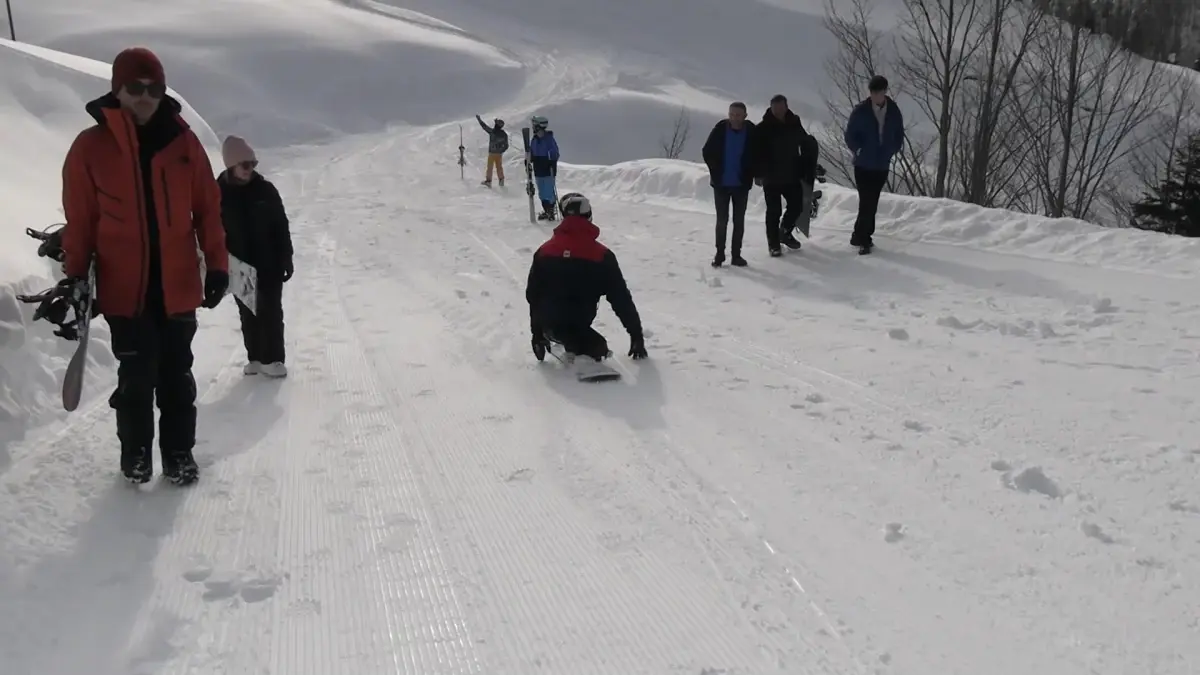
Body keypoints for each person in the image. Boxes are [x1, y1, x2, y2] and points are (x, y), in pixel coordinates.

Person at [60, 47, 228, 485]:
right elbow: (80, 220)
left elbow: (208, 210)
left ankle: (178, 455)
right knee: (136, 379)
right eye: (135, 88)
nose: (145, 97)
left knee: (176, 377)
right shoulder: (90, 147)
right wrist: (76, 276)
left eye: (154, 88)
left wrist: (219, 265)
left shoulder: (183, 143)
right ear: (118, 89)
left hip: (177, 285)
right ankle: (135, 455)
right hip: (123, 289)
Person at [526, 193, 648, 369]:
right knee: (598, 348)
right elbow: (621, 298)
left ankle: (562, 340)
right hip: (578, 324)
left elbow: (533, 295)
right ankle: (577, 347)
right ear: (589, 216)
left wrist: (537, 334)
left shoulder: (544, 252)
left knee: (585, 341)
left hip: (548, 324)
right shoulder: (602, 256)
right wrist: (636, 335)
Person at [217, 135, 294, 378]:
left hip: (268, 263)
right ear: (231, 165)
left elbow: (281, 226)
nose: (251, 170)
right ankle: (256, 358)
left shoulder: (266, 190)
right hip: (237, 264)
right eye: (246, 165)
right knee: (248, 313)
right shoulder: (217, 194)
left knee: (270, 310)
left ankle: (274, 360)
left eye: (253, 164)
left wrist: (286, 258)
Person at [843, 74, 905, 254]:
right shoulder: (861, 111)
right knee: (866, 202)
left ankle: (857, 235)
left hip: (881, 164)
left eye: (878, 92)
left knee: (872, 201)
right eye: (872, 92)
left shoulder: (893, 110)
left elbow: (899, 133)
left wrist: (891, 150)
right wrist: (858, 149)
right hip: (863, 164)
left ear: (884, 92)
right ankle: (864, 239)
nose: (875, 96)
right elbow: (849, 135)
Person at [753, 94, 816, 256]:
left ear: (786, 107)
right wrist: (758, 173)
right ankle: (774, 245)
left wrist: (812, 162)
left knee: (797, 206)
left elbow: (804, 142)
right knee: (773, 211)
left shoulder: (794, 123)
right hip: (771, 177)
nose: (778, 111)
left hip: (791, 174)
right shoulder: (762, 128)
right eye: (775, 108)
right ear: (771, 108)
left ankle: (785, 232)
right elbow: (755, 153)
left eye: (781, 108)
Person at [701, 101, 757, 267]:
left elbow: (759, 153)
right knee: (722, 221)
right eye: (731, 114)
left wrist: (753, 172)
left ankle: (736, 255)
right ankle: (719, 254)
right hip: (721, 184)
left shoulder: (751, 131)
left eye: (738, 115)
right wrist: (715, 169)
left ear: (745, 116)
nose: (734, 118)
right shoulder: (720, 129)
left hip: (741, 184)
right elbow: (707, 151)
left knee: (739, 221)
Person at [528, 115, 560, 220]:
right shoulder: (534, 139)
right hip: (538, 168)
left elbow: (555, 152)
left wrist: (551, 159)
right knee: (541, 192)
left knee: (549, 190)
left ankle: (551, 211)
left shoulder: (549, 138)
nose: (533, 127)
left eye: (534, 125)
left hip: (548, 168)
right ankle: (547, 211)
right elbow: (531, 152)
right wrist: (529, 159)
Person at [475, 114, 509, 187]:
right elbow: (506, 145)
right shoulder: (504, 134)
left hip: (492, 153)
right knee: (499, 167)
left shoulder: (492, 132)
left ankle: (488, 181)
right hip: (499, 154)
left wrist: (479, 120)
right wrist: (501, 150)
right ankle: (501, 180)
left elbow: (484, 126)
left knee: (490, 167)